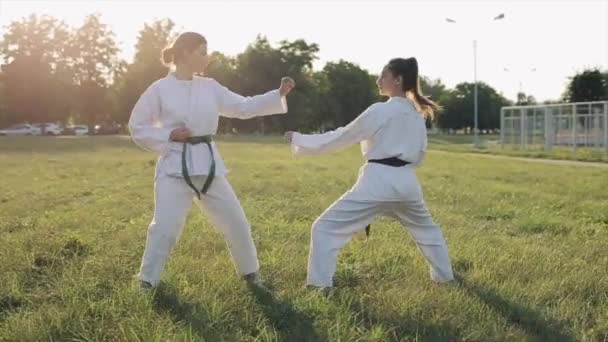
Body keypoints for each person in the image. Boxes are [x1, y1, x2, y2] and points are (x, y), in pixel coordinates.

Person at [129, 31, 295, 289]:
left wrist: (277, 94)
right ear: (185, 53)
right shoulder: (159, 89)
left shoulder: (210, 86)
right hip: (174, 166)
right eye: (202, 52)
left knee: (236, 221)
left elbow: (243, 107)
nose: (207, 58)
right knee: (164, 228)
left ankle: (251, 275)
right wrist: (168, 134)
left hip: (208, 165)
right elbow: (137, 126)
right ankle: (147, 282)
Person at [286, 57, 453, 289]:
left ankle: (318, 286)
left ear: (398, 79)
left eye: (383, 76)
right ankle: (445, 278)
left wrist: (299, 139)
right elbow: (421, 154)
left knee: (324, 228)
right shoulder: (417, 115)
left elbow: (343, 136)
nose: (378, 80)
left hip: (377, 182)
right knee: (428, 232)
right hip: (407, 183)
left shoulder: (381, 111)